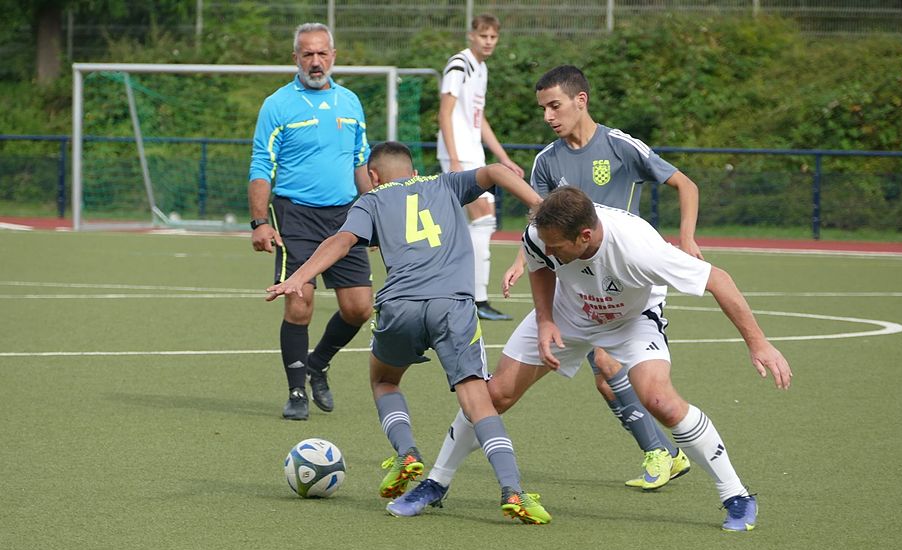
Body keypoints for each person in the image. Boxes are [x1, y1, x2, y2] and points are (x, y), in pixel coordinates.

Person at [393, 186, 792, 531]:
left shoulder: (640, 249)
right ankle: (436, 483)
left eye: (558, 246)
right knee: (494, 394)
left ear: (585, 235)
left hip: (631, 320)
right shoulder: (541, 234)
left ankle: (736, 495)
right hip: (567, 313)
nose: (548, 249)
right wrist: (546, 319)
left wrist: (759, 343)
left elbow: (717, 279)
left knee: (659, 400)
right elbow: (539, 263)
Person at [266, 142, 551, 524]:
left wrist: (300, 276)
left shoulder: (370, 201)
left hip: (400, 306)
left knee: (384, 380)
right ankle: (512, 489)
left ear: (373, 177)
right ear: (414, 171)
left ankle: (406, 453)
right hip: (452, 305)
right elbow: (498, 171)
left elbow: (343, 240)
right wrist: (542, 208)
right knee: (476, 399)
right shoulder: (446, 184)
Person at [505, 65, 705, 489]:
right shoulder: (546, 161)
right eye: (542, 109)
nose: (548, 117)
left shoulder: (619, 146)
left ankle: (663, 454)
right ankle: (667, 455)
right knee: (607, 382)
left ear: (581, 101)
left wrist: (686, 237)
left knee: (608, 364)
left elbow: (685, 184)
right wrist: (522, 261)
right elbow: (541, 226)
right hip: (578, 282)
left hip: (625, 276)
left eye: (554, 106)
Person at [249, 23, 373, 421]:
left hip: (345, 217)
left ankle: (318, 362)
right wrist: (258, 222)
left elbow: (361, 163)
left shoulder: (351, 102)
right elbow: (261, 164)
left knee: (359, 310)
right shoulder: (277, 105)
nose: (315, 62)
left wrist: (375, 211)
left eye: (322, 54)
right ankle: (297, 392)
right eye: (307, 54)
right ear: (295, 59)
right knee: (299, 304)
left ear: (333, 56)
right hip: (296, 216)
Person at [437, 13, 524, 321]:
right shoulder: (458, 64)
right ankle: (476, 299)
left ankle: (472, 296)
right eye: (483, 35)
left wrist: (503, 158)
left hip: (473, 153)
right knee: (482, 219)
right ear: (471, 35)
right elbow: (445, 113)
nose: (488, 41)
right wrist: (455, 158)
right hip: (459, 153)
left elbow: (479, 118)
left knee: (479, 223)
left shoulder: (481, 69)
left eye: (493, 37)